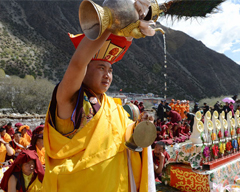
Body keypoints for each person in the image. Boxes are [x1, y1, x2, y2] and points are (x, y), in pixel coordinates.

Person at [42, 3, 158, 191]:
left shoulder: (115, 107)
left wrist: (139, 130)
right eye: (101, 68)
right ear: (86, 70)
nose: (108, 75)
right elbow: (78, 63)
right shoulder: (70, 100)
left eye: (110, 70)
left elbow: (125, 146)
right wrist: (112, 22)